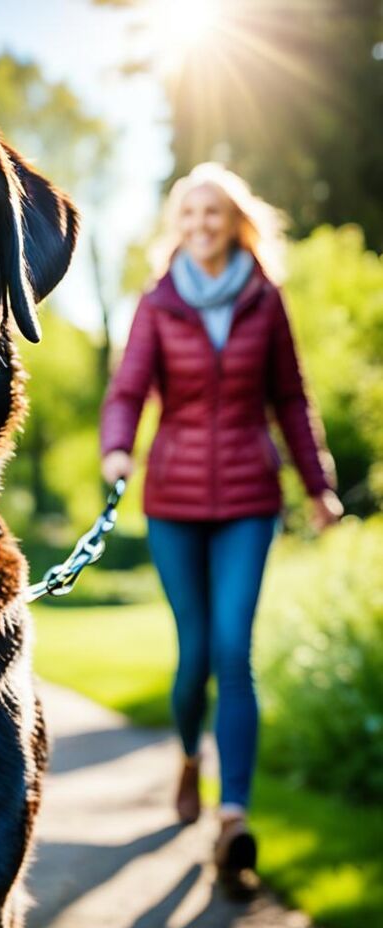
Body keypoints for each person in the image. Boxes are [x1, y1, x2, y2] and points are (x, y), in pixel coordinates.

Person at [99, 163, 342, 887]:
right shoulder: (157, 303)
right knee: (195, 655)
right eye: (190, 213)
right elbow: (128, 388)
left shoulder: (265, 302)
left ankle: (232, 817)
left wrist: (318, 486)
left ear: (237, 223)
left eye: (215, 213)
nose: (202, 224)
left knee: (234, 649)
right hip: (172, 500)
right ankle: (187, 755)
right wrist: (117, 448)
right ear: (179, 226)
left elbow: (292, 400)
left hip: (248, 499)